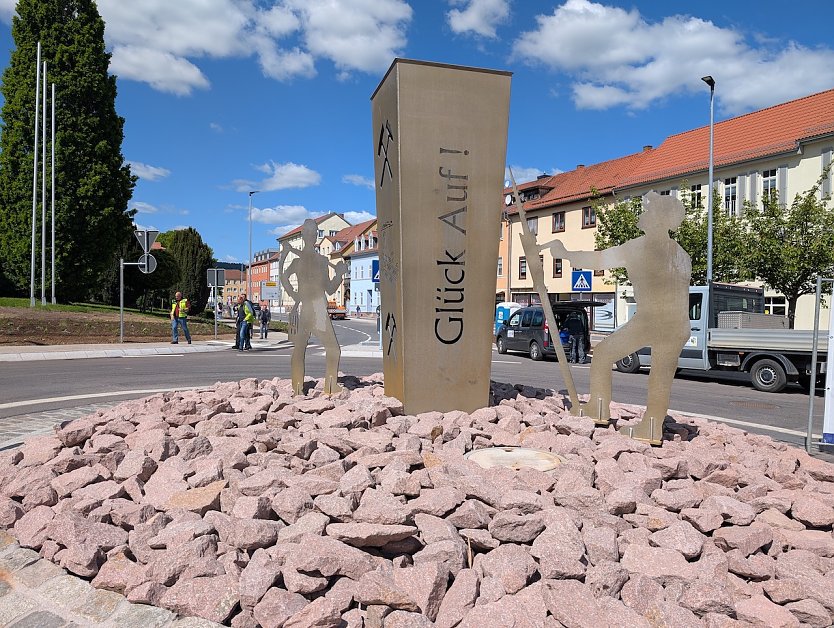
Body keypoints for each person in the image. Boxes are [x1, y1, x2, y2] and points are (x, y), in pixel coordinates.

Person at [545, 192, 691, 443]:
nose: (642, 215)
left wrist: (566, 255)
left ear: (657, 219)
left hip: (652, 319)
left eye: (647, 211)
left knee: (602, 355)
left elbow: (598, 259)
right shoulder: (680, 253)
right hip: (678, 323)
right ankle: (652, 428)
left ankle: (598, 409)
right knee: (660, 376)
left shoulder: (638, 247)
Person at [279, 219, 347, 395]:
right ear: (315, 236)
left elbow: (283, 277)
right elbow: (331, 288)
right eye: (314, 232)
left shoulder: (298, 261)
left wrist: (295, 294)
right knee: (333, 348)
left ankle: (298, 389)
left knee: (299, 348)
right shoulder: (321, 261)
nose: (313, 235)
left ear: (302, 237)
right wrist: (339, 274)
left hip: (305, 307)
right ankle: (330, 387)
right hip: (317, 307)